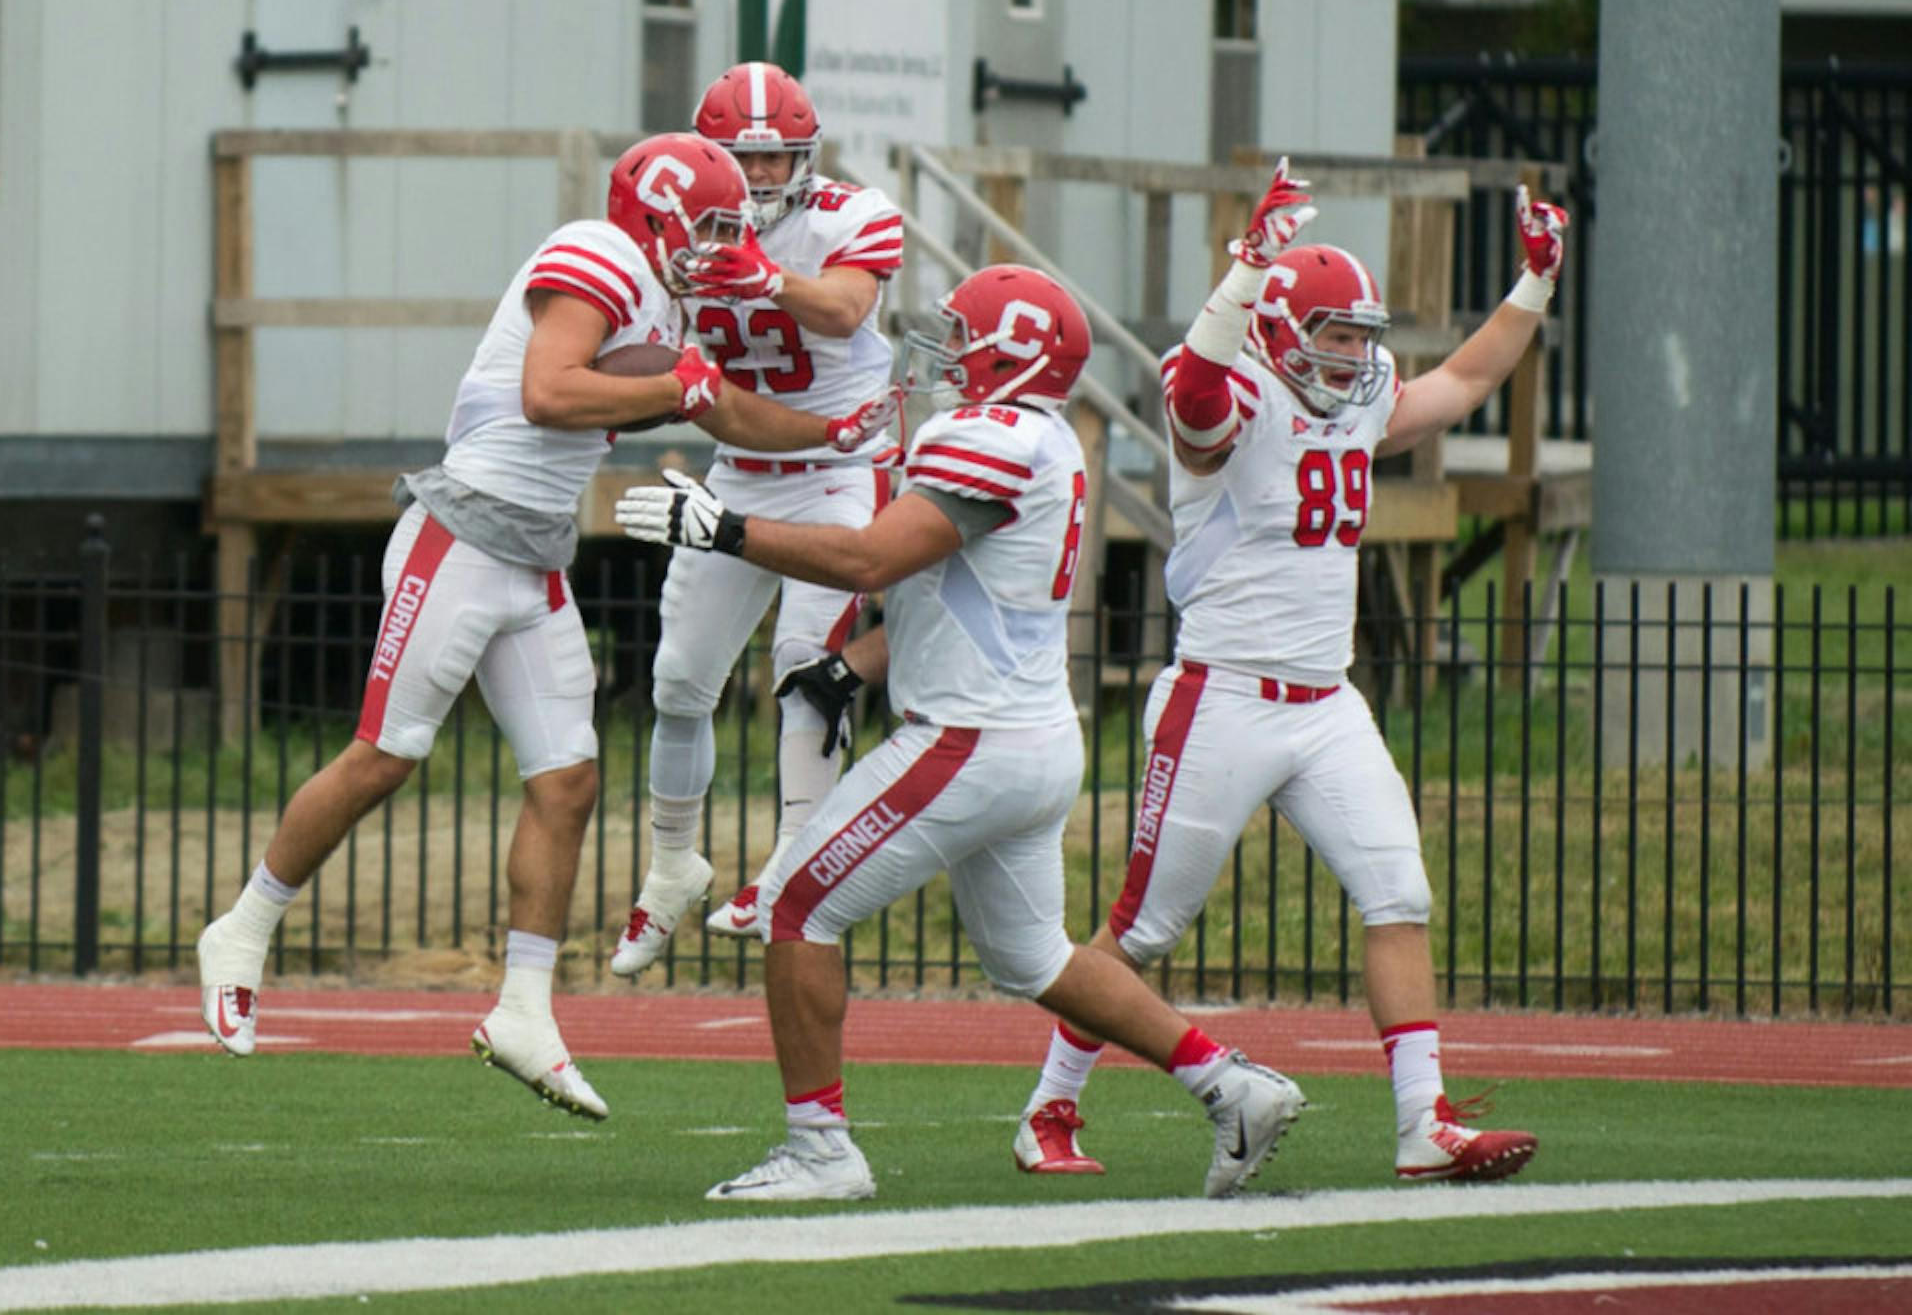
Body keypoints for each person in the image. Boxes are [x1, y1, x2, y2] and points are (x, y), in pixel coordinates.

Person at [195, 132, 886, 1119]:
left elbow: (725, 410)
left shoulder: (660, 293)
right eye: (712, 223)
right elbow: (548, 390)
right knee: (385, 754)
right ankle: (245, 924)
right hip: (462, 532)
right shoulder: (598, 252)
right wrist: (669, 388)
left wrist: (835, 431)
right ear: (657, 212)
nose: (723, 243)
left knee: (566, 782)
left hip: (532, 551)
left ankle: (522, 1007)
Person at [616, 265, 1307, 1202]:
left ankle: (821, 1150)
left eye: (962, 338)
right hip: (1026, 736)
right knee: (1036, 959)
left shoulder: (988, 436)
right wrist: (851, 663)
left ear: (1011, 356)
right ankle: (1230, 1084)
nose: (944, 355)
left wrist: (725, 529)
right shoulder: (1044, 439)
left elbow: (870, 555)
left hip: (969, 741)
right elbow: (944, 593)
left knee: (796, 910)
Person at [1009, 160, 1567, 1182]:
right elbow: (1189, 394)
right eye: (1335, 334)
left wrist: (1531, 285)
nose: (1354, 355)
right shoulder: (1232, 394)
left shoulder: (1352, 403)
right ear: (1273, 328)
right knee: (1140, 926)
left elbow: (1465, 380)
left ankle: (1420, 1122)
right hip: (1219, 697)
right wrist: (1244, 270)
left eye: (1362, 335)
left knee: (1397, 890)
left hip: (1324, 700)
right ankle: (1047, 1107)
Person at [611, 61, 908, 976]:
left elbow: (847, 306)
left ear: (806, 155)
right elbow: (638, 352)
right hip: (741, 466)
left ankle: (793, 867)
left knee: (807, 674)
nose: (766, 175)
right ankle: (671, 866)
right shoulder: (679, 235)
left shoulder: (854, 216)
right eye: (746, 159)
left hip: (838, 470)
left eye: (779, 157)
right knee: (678, 682)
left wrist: (764, 276)